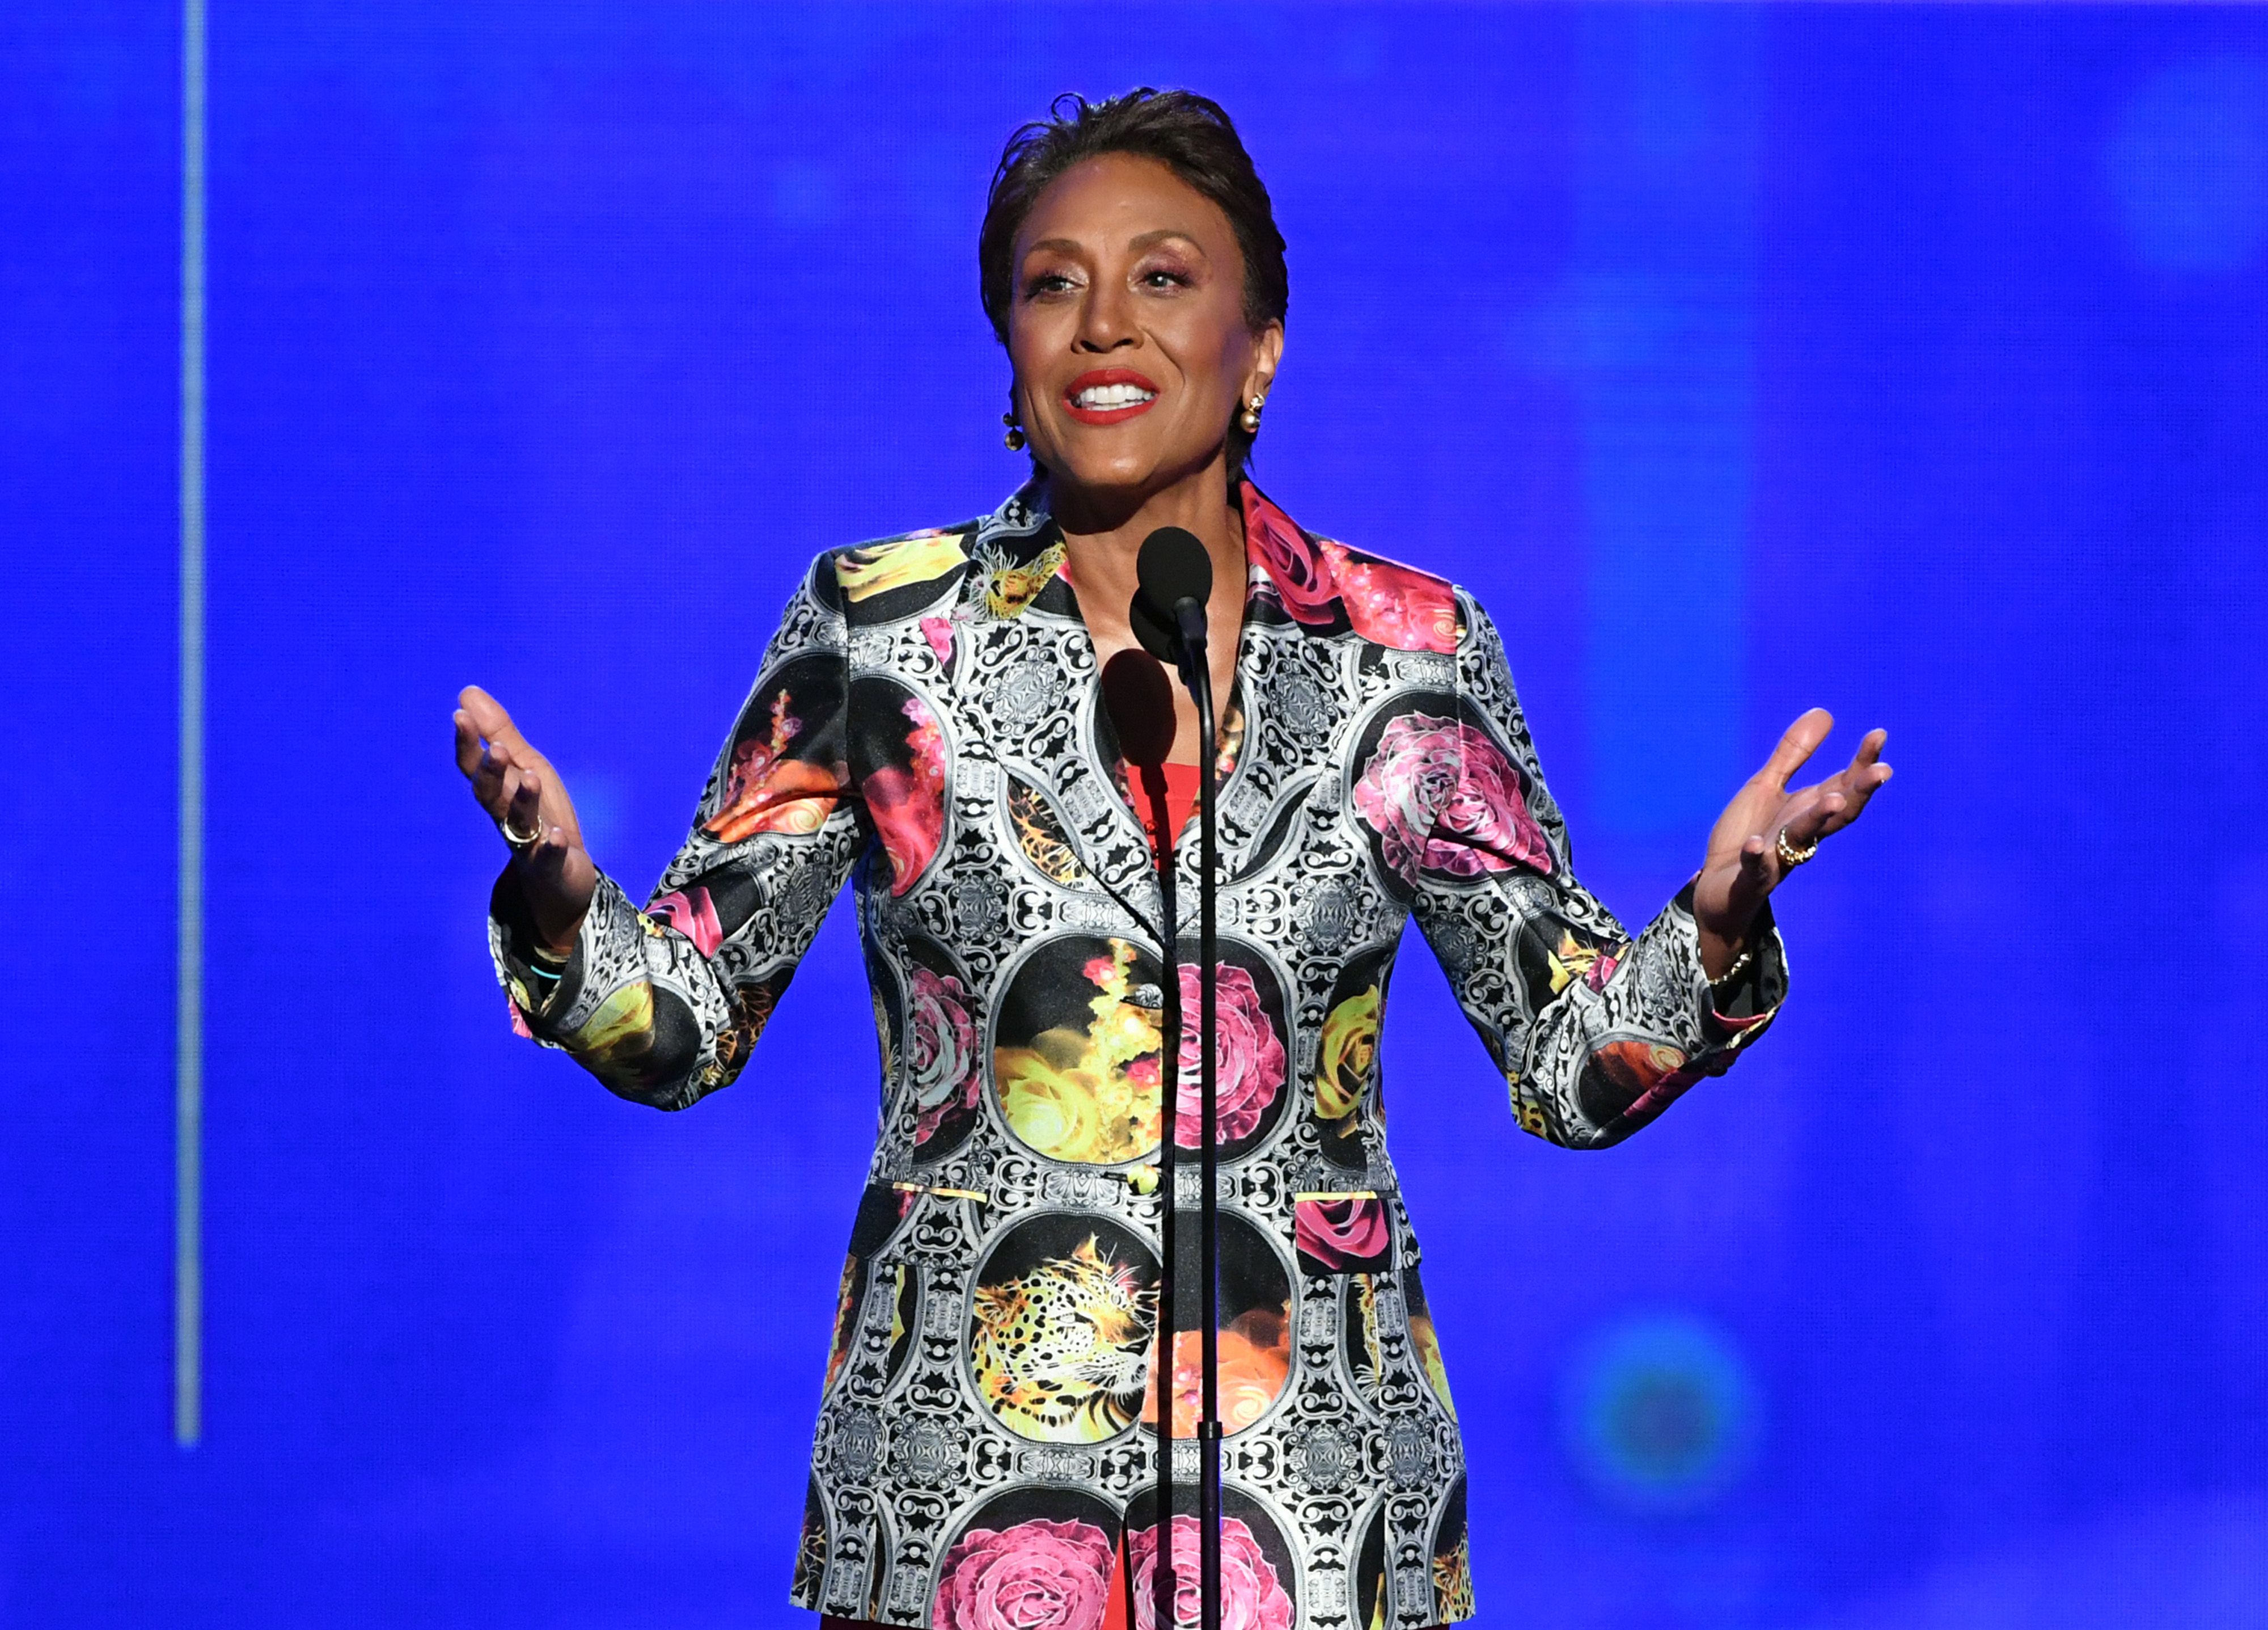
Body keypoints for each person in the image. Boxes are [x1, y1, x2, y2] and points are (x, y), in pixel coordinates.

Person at [452, 88, 1889, 1630]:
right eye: (1054, 283)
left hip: (1312, 1496)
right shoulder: (880, 634)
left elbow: (1570, 1058)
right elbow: (682, 1022)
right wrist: (559, 895)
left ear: (1261, 342)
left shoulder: (1403, 651)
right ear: (1009, 347)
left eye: (1163, 277)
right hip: (965, 1496)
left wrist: (1721, 913)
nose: (1102, 325)